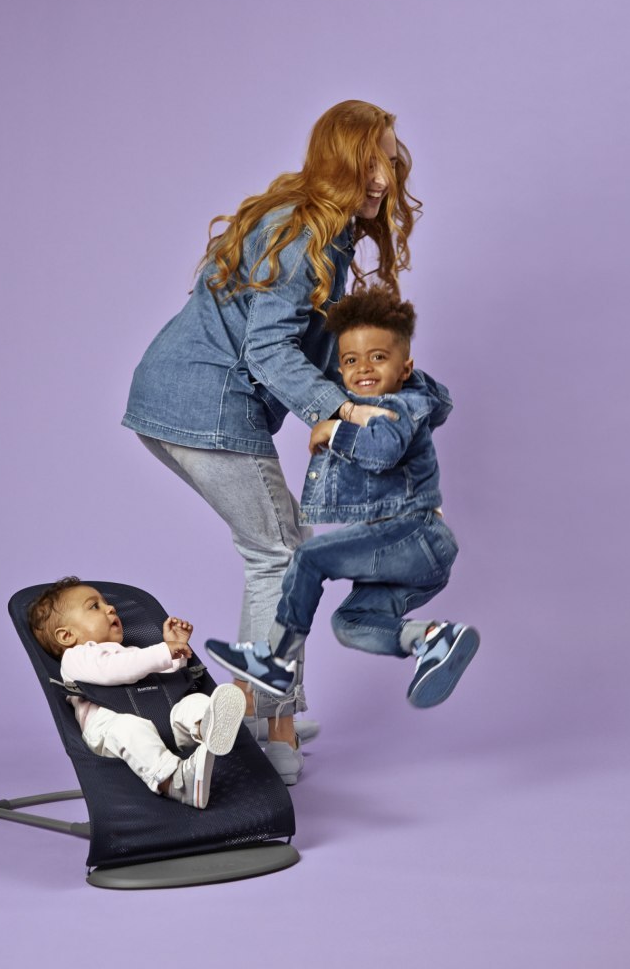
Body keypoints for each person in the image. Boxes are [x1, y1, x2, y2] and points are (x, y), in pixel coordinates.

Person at [122, 101, 421, 784]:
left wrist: (364, 396)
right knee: (282, 557)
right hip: (208, 402)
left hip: (175, 397)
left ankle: (262, 713)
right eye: (368, 163)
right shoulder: (301, 230)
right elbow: (266, 348)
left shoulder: (317, 228)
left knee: (281, 546)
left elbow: (301, 344)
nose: (382, 179)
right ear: (337, 164)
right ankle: (269, 729)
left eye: (389, 161)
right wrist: (339, 408)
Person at [204, 287, 480, 709]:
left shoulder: (398, 406)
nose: (363, 368)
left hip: (413, 536)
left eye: (378, 357)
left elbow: (382, 450)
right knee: (350, 623)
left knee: (309, 558)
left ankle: (276, 660)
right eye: (351, 360)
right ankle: (431, 639)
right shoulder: (372, 403)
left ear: (405, 368)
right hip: (412, 553)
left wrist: (334, 430)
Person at [28, 577, 246, 810]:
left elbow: (158, 673)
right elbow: (117, 669)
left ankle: (207, 725)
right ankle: (176, 783)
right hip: (111, 731)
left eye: (106, 603)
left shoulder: (131, 652)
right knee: (129, 729)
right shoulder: (76, 658)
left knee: (195, 702)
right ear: (66, 636)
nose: (111, 608)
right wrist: (162, 652)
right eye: (95, 606)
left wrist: (176, 652)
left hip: (161, 720)